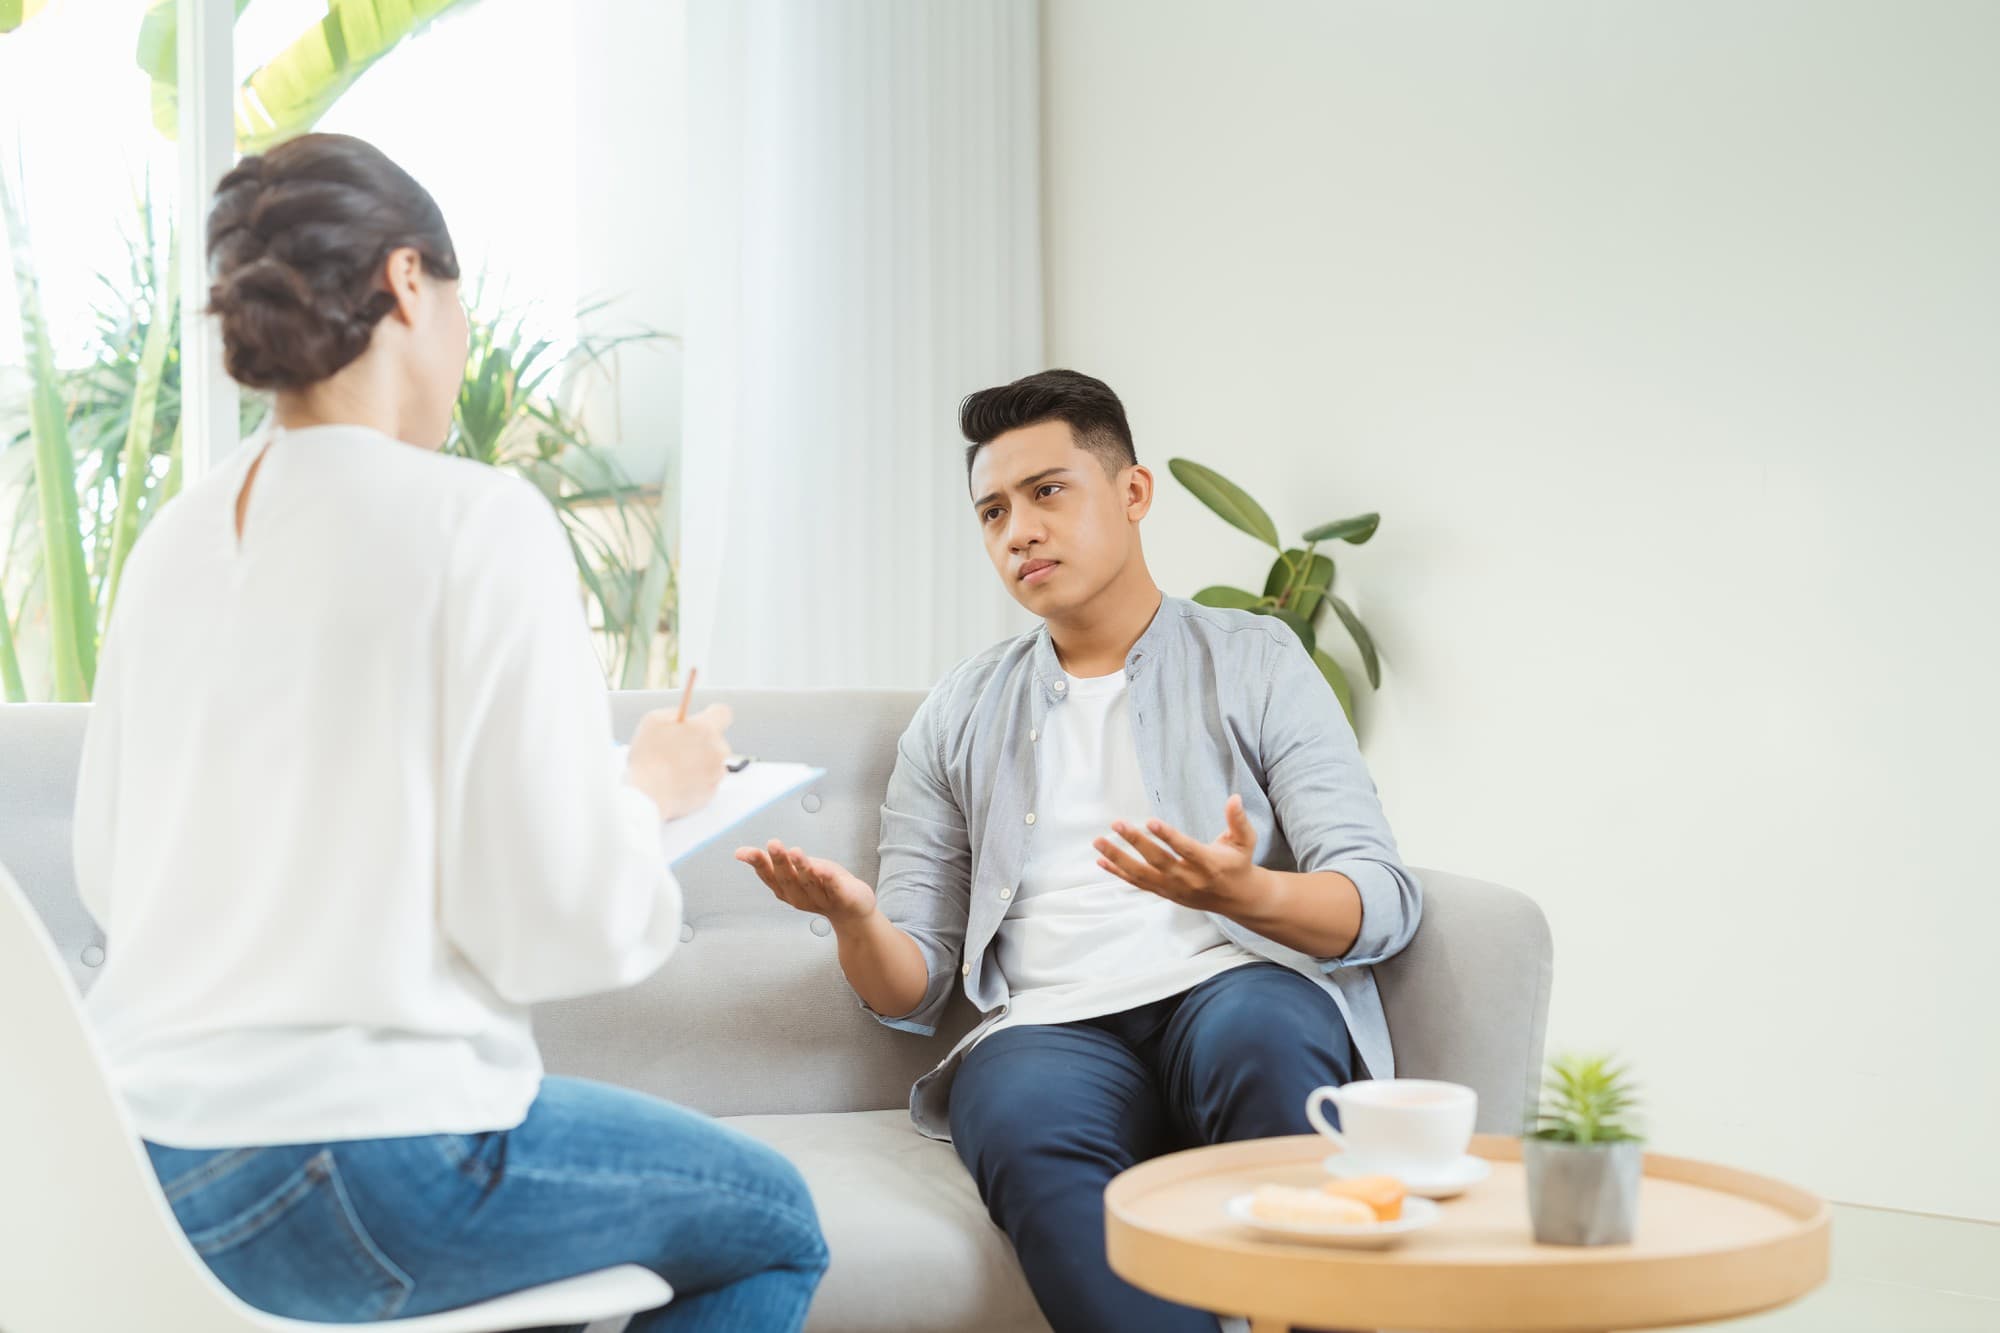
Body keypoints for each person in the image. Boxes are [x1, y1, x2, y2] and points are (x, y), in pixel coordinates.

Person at [72, 133, 827, 1329]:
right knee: (774, 1222)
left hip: (136, 1164)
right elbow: (549, 925)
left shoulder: (174, 542)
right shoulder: (473, 519)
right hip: (359, 1162)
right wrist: (646, 797)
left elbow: (111, 871)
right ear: (410, 282)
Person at [738, 369, 1421, 1331]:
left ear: (1133, 493)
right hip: (1050, 1026)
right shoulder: (957, 714)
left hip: (1234, 982)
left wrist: (1247, 894)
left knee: (1270, 1036)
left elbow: (1380, 899)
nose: (1017, 530)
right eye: (992, 511)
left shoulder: (1258, 658)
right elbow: (913, 987)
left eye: (1047, 491)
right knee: (1014, 1117)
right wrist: (856, 923)